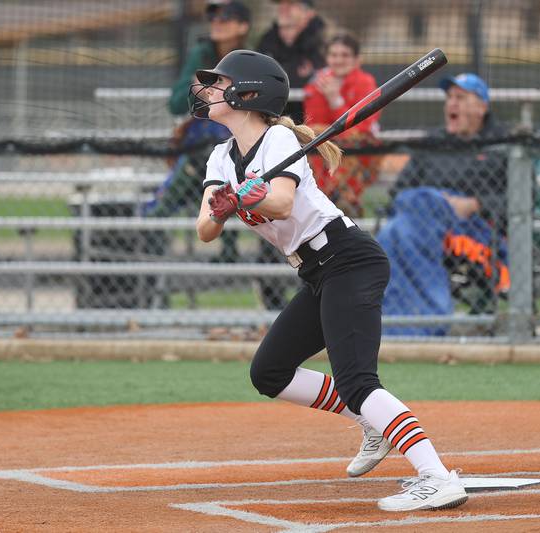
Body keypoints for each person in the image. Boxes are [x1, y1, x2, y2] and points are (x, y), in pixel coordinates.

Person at [188, 50, 468, 512]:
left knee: (357, 380)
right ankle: (372, 421)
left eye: (219, 83)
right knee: (269, 373)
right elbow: (204, 229)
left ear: (248, 92)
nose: (209, 91)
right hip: (316, 271)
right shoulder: (221, 157)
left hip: (348, 258)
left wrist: (245, 199)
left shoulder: (278, 139)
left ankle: (436, 476)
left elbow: (279, 203)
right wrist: (224, 205)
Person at [379, 73, 510, 334]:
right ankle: (419, 323)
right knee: (407, 217)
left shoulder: (505, 144)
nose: (452, 104)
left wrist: (475, 204)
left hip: (475, 230)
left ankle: (412, 325)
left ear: (481, 107)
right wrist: (436, 202)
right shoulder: (433, 142)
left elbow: (521, 198)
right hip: (423, 224)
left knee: (394, 232)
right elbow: (400, 192)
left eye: (461, 98)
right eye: (449, 98)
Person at [149, 0, 253, 262]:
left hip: (239, 148)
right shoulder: (202, 53)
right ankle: (151, 260)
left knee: (228, 176)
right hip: (200, 149)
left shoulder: (251, 58)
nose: (217, 23)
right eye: (214, 18)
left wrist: (217, 93)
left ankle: (229, 255)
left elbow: (255, 107)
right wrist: (197, 90)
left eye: (225, 18)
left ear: (242, 26)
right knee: (162, 206)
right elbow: (175, 104)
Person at [304, 33, 381, 218]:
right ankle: (328, 199)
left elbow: (361, 127)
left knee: (353, 140)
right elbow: (315, 127)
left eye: (345, 55)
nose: (338, 60)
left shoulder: (365, 82)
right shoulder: (317, 84)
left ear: (357, 60)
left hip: (359, 151)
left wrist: (335, 101)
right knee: (316, 135)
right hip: (325, 151)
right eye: (334, 55)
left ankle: (345, 200)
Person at [257, 0, 326, 124]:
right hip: (272, 119)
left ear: (309, 13)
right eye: (281, 4)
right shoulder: (267, 41)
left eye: (291, 4)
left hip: (311, 123)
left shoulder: (323, 44)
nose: (284, 8)